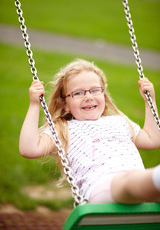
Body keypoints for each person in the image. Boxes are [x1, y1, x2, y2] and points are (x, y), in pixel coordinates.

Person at [19, 59, 160, 204]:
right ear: (64, 104)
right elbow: (29, 149)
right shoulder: (63, 129)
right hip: (102, 188)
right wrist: (35, 104)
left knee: (134, 181)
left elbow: (152, 139)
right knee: (127, 181)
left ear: (103, 94)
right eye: (78, 93)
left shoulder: (120, 122)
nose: (88, 97)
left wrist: (150, 101)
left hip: (138, 184)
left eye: (94, 90)